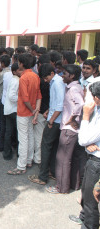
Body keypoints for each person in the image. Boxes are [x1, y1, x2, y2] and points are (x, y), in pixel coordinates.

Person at [44, 64, 84, 194]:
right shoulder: (75, 87)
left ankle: (61, 187)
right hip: (70, 128)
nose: (62, 76)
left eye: (65, 73)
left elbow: (81, 104)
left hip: (68, 129)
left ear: (72, 76)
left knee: (62, 159)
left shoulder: (73, 89)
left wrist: (72, 119)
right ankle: (73, 184)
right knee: (71, 158)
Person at [70, 81, 100, 229]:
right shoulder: (98, 110)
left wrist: (86, 115)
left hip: (97, 162)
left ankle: (89, 226)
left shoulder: (94, 112)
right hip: (93, 157)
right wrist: (87, 142)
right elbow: (86, 139)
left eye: (91, 96)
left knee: (91, 201)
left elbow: (82, 139)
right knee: (86, 195)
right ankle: (85, 220)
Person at [29, 63, 65, 184]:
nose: (45, 81)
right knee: (53, 147)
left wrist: (51, 120)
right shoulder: (54, 82)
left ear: (52, 73)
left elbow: (60, 106)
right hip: (53, 117)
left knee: (45, 146)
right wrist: (48, 111)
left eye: (46, 78)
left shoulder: (58, 83)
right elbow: (55, 103)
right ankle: (52, 172)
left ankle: (43, 177)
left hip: (54, 121)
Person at [8, 54, 42, 175]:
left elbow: (25, 99)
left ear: (21, 64)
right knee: (30, 135)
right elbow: (38, 95)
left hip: (24, 111)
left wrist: (32, 110)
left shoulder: (23, 77)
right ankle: (29, 160)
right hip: (31, 112)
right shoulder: (35, 76)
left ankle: (21, 166)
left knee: (23, 139)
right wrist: (35, 111)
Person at [0, 54, 12, 151]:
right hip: (8, 100)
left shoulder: (2, 74)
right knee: (6, 123)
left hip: (0, 98)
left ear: (2, 63)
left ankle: (0, 145)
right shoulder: (12, 72)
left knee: (1, 123)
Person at [2, 63, 20, 160]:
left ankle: (7, 153)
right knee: (16, 132)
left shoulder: (15, 79)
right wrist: (22, 98)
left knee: (9, 132)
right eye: (19, 70)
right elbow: (12, 96)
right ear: (14, 72)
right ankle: (16, 153)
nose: (21, 72)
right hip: (13, 110)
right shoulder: (16, 81)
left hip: (9, 109)